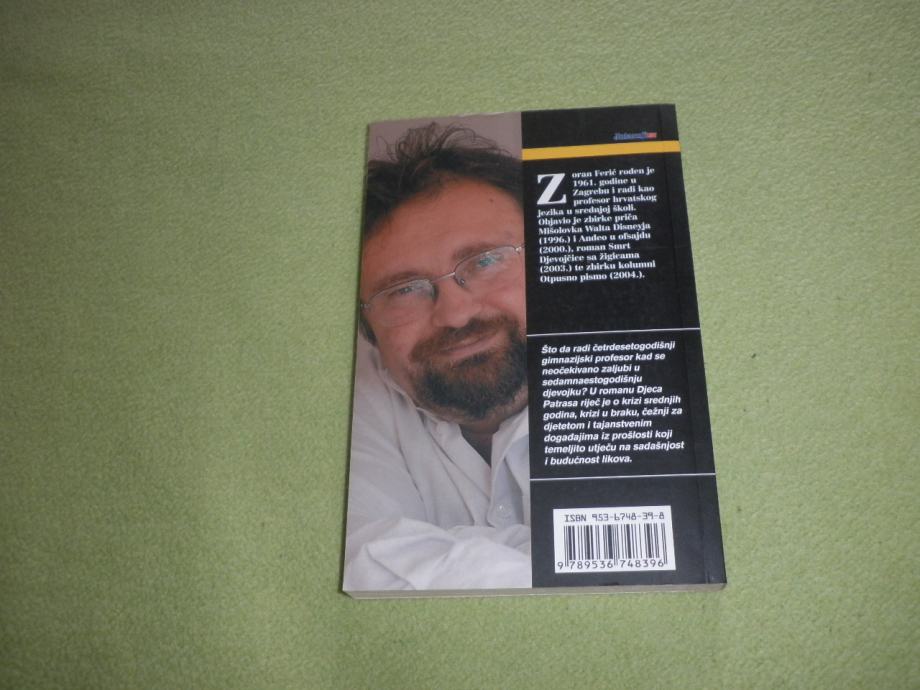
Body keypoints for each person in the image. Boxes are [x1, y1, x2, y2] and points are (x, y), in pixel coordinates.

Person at [343, 124, 532, 592]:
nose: (454, 315)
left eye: (485, 261)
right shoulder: (349, 395)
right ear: (367, 327)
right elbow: (354, 562)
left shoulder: (642, 373)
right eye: (404, 289)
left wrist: (423, 551)